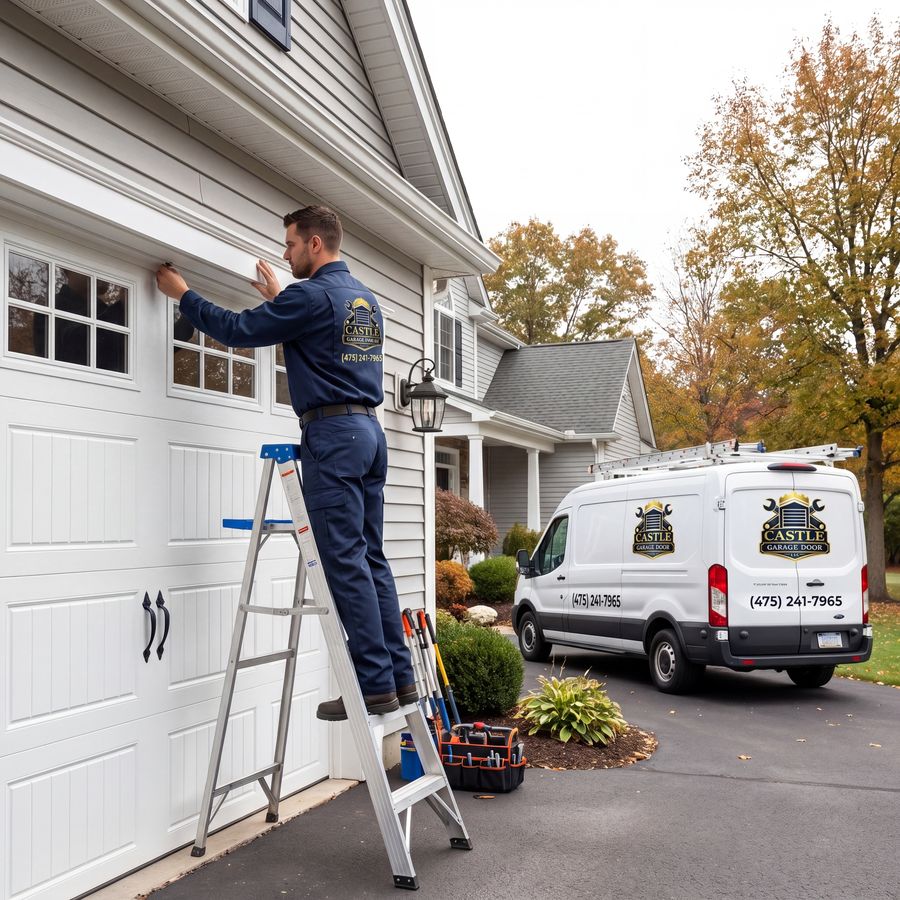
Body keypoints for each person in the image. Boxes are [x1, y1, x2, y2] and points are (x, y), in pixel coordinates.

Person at [156, 205, 416, 720]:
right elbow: (323, 340)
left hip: (333, 437)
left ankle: (373, 686)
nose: (285, 252)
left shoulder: (310, 296)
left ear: (315, 244)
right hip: (369, 434)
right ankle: (400, 680)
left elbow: (236, 329)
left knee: (344, 561)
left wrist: (183, 294)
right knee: (371, 559)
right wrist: (281, 300)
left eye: (291, 243)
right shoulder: (364, 299)